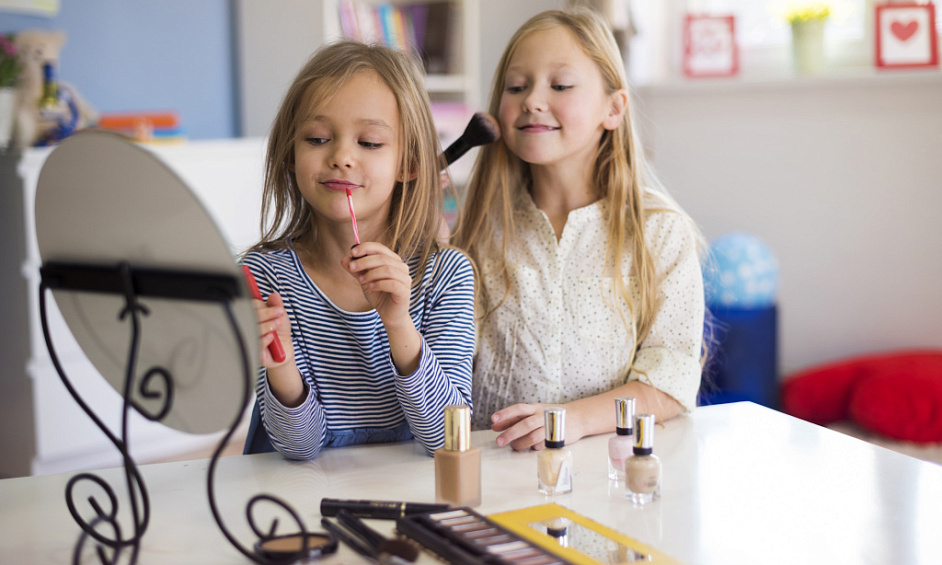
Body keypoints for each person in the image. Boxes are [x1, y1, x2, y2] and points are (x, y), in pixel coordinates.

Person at [454, 9, 705, 450]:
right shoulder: (475, 232)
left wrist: (573, 420)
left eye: (561, 85)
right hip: (495, 471)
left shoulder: (661, 234)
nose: (532, 99)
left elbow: (670, 380)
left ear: (613, 108)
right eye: (517, 86)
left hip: (608, 473)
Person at [242, 41, 475, 460]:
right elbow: (299, 447)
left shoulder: (447, 275)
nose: (341, 157)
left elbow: (447, 439)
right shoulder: (267, 276)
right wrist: (279, 361)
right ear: (290, 155)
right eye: (317, 138)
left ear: (410, 163)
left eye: (369, 142)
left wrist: (399, 323)